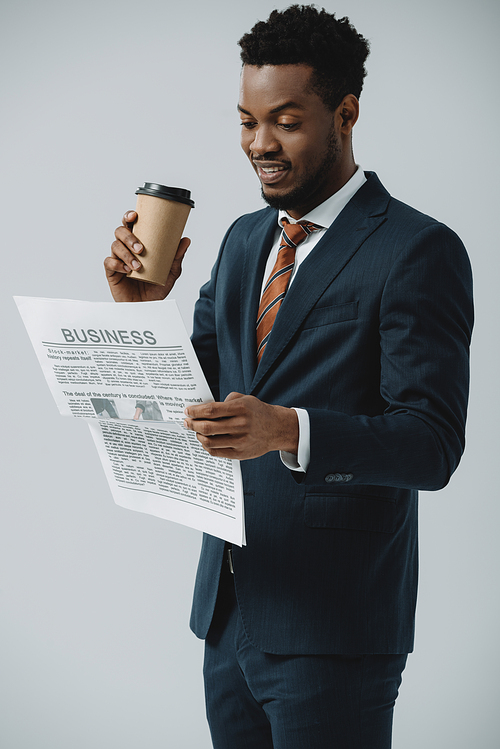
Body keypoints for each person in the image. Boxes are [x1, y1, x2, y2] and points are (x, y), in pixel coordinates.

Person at [104, 6, 473, 748]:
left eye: (285, 121)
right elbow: (195, 397)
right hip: (229, 610)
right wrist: (141, 313)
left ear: (345, 113)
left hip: (336, 622)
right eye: (246, 121)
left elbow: (430, 443)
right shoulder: (245, 240)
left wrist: (289, 428)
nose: (259, 145)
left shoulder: (417, 249)